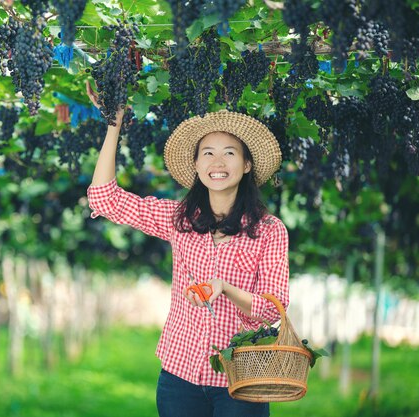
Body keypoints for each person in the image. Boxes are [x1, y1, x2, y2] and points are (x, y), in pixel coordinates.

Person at [85, 81, 289, 417]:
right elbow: (104, 198)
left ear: (247, 164)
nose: (217, 162)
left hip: (241, 377)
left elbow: (273, 309)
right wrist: (114, 122)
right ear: (196, 165)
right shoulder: (179, 220)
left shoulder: (269, 231)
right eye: (208, 153)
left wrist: (224, 289)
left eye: (229, 153)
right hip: (179, 377)